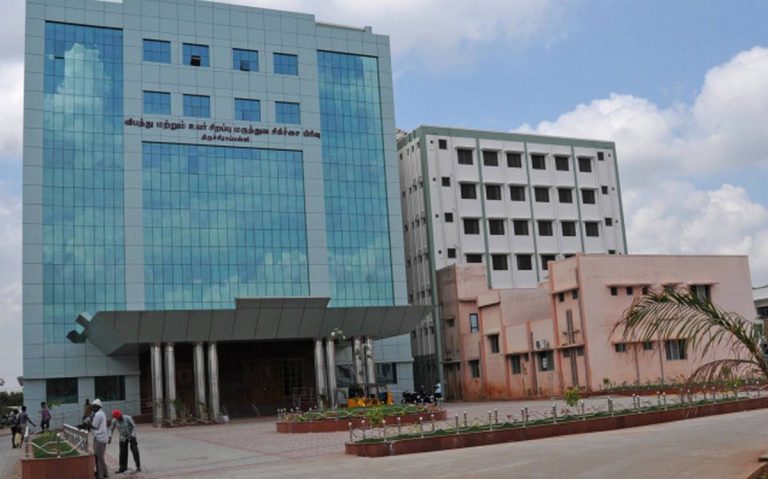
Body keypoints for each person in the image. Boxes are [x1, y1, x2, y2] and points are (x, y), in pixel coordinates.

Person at [109, 410, 141, 474]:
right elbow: (111, 429)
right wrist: (110, 437)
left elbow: (134, 426)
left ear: (120, 415)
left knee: (135, 451)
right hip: (123, 437)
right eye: (116, 418)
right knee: (122, 453)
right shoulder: (114, 421)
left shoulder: (127, 418)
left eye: (118, 417)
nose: (117, 419)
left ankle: (138, 467)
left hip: (131, 436)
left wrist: (133, 434)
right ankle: (122, 468)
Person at [91, 399, 109, 479]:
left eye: (94, 407)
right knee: (100, 456)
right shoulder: (101, 413)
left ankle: (100, 475)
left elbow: (95, 426)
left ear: (98, 407)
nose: (92, 408)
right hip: (101, 437)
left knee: (98, 457)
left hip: (99, 438)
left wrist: (87, 424)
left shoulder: (98, 414)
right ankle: (104, 472)